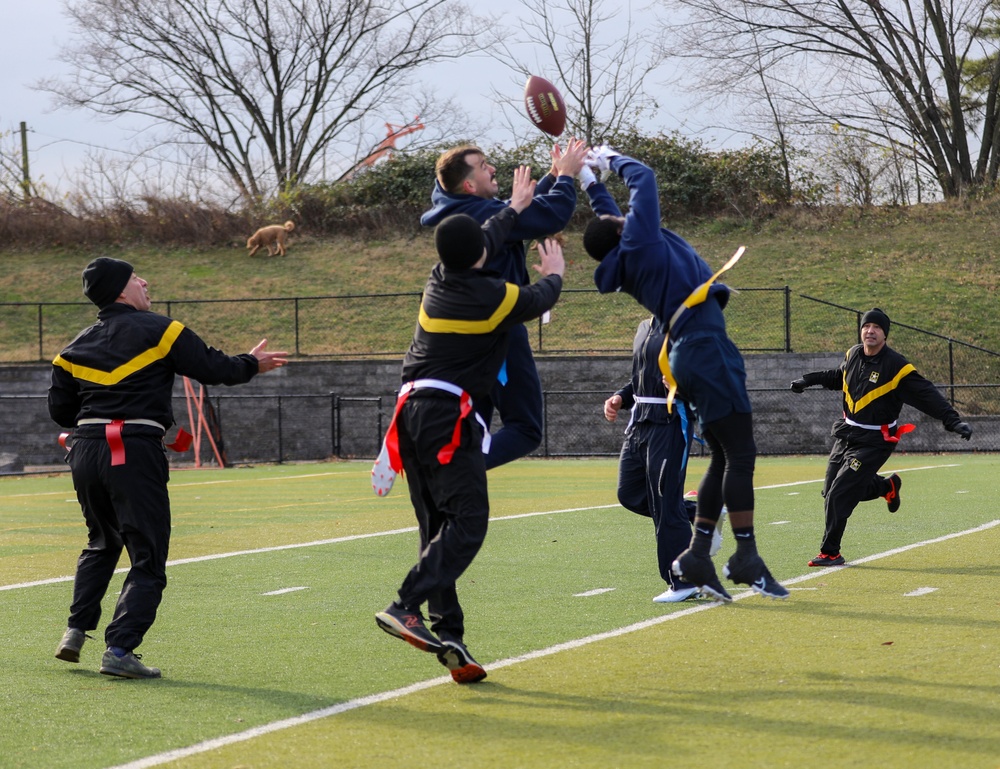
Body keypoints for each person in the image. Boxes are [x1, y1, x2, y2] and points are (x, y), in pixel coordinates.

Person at [48, 257, 287, 679]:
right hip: (133, 448)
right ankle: (120, 649)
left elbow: (61, 410)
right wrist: (252, 363)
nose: (145, 281)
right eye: (135, 277)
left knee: (101, 541)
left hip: (85, 449)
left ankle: (74, 630)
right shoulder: (161, 329)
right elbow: (215, 369)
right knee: (148, 553)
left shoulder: (71, 350)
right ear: (121, 290)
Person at [375, 166, 565, 684]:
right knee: (468, 522)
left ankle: (450, 634)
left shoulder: (439, 279)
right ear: (480, 253)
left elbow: (489, 234)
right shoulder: (492, 295)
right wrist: (555, 270)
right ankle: (405, 603)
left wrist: (516, 207)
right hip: (447, 419)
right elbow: (539, 299)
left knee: (437, 528)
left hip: (410, 415)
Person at [579, 147, 787, 602]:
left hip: (690, 353)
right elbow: (645, 179)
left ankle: (696, 554)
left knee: (725, 454)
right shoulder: (641, 241)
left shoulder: (627, 254)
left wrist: (586, 179)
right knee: (741, 453)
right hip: (706, 348)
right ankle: (742, 555)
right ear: (625, 232)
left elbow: (608, 220)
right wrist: (608, 157)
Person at [420, 139, 588, 469]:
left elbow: (518, 211)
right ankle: (452, 469)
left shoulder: (465, 208)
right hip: (497, 330)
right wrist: (567, 176)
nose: (493, 168)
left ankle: (452, 494)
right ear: (468, 185)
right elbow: (548, 216)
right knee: (526, 428)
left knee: (475, 425)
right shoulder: (479, 211)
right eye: (483, 166)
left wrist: (553, 176)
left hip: (467, 338)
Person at [790, 307, 973, 566]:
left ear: (885, 334)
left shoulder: (896, 366)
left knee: (840, 493)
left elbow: (926, 394)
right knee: (830, 490)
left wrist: (953, 421)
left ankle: (830, 552)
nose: (870, 331)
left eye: (876, 327)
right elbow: (838, 377)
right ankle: (886, 487)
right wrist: (806, 380)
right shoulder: (853, 354)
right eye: (866, 326)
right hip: (847, 434)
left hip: (875, 441)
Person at [604, 316, 724, 603]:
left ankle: (684, 581)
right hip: (639, 423)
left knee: (665, 504)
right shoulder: (645, 327)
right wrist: (621, 397)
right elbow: (642, 375)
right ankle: (700, 512)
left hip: (670, 423)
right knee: (630, 493)